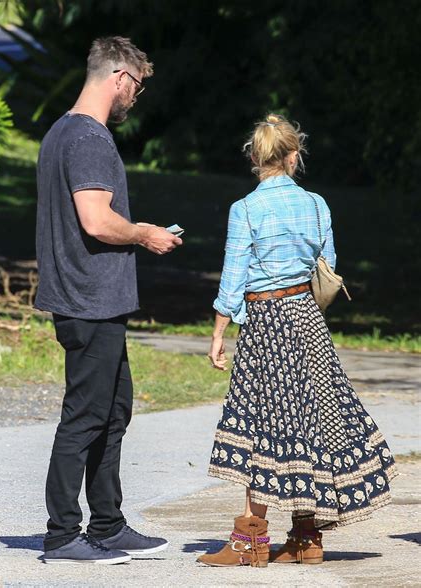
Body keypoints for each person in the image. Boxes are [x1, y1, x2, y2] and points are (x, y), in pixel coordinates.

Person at [197, 114, 397, 568]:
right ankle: (307, 537)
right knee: (311, 422)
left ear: (254, 158)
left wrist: (218, 332)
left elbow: (233, 278)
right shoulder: (316, 204)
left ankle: (250, 540)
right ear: (293, 156)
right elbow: (327, 264)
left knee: (264, 425)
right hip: (307, 317)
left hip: (266, 319)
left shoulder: (245, 209)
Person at [34, 36, 182, 565]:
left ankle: (109, 524)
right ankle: (61, 534)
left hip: (93, 300)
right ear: (119, 77)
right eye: (137, 88)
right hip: (88, 299)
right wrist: (144, 233)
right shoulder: (89, 138)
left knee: (113, 411)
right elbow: (95, 220)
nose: (134, 99)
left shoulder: (59, 133)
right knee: (86, 414)